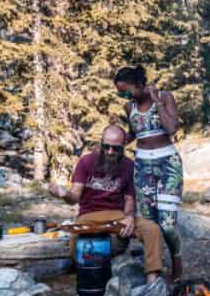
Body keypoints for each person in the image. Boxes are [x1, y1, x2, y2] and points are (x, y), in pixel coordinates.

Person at [47, 124, 164, 283]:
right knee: (76, 240)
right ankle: (88, 277)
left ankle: (152, 281)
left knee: (152, 229)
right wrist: (64, 194)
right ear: (101, 143)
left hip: (117, 216)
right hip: (89, 216)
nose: (110, 152)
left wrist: (129, 216)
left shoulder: (129, 166)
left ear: (123, 146)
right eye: (106, 146)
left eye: (115, 148)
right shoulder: (86, 161)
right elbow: (74, 196)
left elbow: (130, 198)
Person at [113, 65, 184, 280]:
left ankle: (177, 263)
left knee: (168, 226)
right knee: (150, 224)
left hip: (168, 165)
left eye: (126, 91)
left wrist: (158, 101)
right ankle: (154, 266)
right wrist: (114, 142)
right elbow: (135, 133)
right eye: (120, 93)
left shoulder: (164, 96)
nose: (124, 96)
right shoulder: (129, 107)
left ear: (138, 83)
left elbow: (171, 128)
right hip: (143, 166)